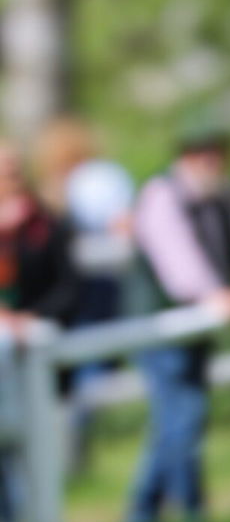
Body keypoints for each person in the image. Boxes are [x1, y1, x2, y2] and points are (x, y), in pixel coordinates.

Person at [125, 124, 230, 522]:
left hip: (197, 324)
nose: (213, 160)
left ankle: (143, 518)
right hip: (160, 325)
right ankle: (190, 516)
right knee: (184, 417)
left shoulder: (224, 195)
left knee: (176, 421)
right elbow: (180, 265)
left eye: (219, 151)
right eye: (203, 152)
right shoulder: (162, 195)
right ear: (186, 155)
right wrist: (214, 293)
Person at [35, 117, 136, 475]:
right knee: (91, 369)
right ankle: (72, 455)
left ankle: (67, 456)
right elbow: (123, 224)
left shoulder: (61, 185)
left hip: (73, 288)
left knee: (74, 372)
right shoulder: (101, 176)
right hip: (99, 285)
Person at [0, 141, 77, 522]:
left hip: (36, 350)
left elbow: (68, 289)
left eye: (14, 167)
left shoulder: (45, 224)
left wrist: (29, 319)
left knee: (36, 448)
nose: (10, 176)